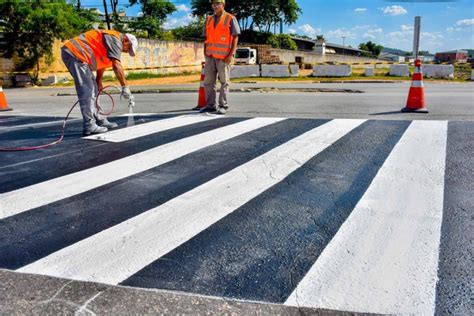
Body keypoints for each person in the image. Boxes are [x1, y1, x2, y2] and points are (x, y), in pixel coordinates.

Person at [61, 30, 138, 135]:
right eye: (128, 48)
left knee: (95, 89)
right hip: (75, 54)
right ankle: (89, 125)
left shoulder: (112, 43)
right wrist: (125, 86)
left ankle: (100, 119)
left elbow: (102, 62)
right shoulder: (115, 39)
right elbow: (116, 65)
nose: (126, 51)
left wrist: (99, 80)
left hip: (80, 57)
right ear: (125, 40)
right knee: (87, 91)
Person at [200, 0, 240, 115]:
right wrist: (205, 52)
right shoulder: (208, 19)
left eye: (217, 4)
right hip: (210, 56)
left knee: (224, 82)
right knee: (208, 82)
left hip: (223, 57)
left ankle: (223, 105)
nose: (215, 6)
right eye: (213, 4)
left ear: (223, 5)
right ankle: (210, 106)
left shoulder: (230, 18)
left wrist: (230, 55)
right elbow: (205, 37)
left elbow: (235, 37)